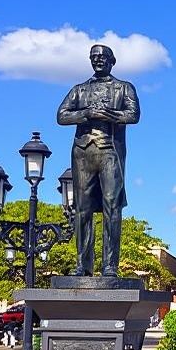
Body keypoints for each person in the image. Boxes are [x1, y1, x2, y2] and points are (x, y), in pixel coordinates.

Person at [58, 43, 141, 277]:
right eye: (94, 57)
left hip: (109, 152)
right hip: (83, 152)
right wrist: (86, 113)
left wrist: (107, 114)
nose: (98, 60)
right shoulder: (79, 90)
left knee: (111, 207)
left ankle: (109, 265)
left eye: (103, 57)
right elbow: (61, 115)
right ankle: (83, 265)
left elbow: (133, 115)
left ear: (112, 61)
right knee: (82, 209)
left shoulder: (123, 88)